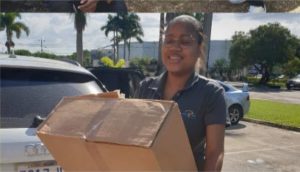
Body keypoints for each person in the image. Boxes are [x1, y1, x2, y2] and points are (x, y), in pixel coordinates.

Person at [134, 15, 226, 171]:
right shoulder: (145, 87)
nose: (174, 47)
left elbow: (214, 153)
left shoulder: (212, 93)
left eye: (185, 41)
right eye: (169, 40)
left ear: (199, 49)